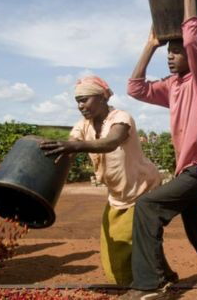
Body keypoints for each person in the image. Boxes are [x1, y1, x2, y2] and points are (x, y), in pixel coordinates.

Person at [120, 0, 197, 300]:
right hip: (191, 170)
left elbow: (194, 41)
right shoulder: (173, 87)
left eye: (176, 50)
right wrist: (150, 46)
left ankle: (151, 283)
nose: (172, 56)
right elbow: (135, 88)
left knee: (148, 207)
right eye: (170, 51)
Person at [40, 76, 173, 285]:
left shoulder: (121, 118)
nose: (81, 106)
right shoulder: (83, 125)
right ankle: (165, 277)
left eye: (85, 100)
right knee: (121, 239)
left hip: (142, 189)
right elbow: (71, 146)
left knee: (124, 242)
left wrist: (74, 147)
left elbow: (112, 141)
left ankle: (135, 286)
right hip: (118, 194)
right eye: (78, 102)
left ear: (102, 97)